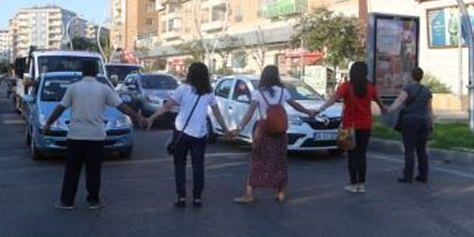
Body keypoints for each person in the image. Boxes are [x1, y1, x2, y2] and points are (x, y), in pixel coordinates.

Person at [44, 60, 146, 210]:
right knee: (94, 170)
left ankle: (66, 201)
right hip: (96, 137)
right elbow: (122, 106)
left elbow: (60, 108)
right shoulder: (104, 89)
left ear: (82, 72)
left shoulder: (73, 88)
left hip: (75, 135)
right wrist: (139, 118)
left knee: (72, 170)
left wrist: (48, 124)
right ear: (97, 72)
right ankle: (93, 200)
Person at [147, 62, 231, 207]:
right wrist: (226, 129)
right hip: (200, 134)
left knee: (179, 165)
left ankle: (181, 197)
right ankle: (197, 198)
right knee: (198, 166)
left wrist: (151, 118)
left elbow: (167, 107)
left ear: (190, 73)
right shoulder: (208, 92)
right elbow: (217, 112)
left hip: (181, 132)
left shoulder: (183, 89)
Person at [230, 65, 316, 204]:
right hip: (279, 132)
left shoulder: (258, 93)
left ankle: (249, 194)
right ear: (276, 76)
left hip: (263, 131)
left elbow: (250, 112)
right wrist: (309, 112)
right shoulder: (283, 92)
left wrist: (239, 128)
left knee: (257, 162)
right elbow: (296, 106)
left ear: (264, 77)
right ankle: (281, 193)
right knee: (279, 162)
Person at [312, 61, 387, 194]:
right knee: (362, 155)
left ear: (352, 72)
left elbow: (333, 99)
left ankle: (353, 184)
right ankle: (362, 184)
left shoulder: (346, 86)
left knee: (351, 155)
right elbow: (381, 104)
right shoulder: (370, 87)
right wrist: (385, 109)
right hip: (365, 125)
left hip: (349, 125)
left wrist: (319, 109)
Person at [387, 67, 434, 184]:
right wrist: (431, 124)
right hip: (423, 122)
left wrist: (388, 109)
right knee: (422, 150)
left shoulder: (407, 88)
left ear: (411, 76)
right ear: (421, 77)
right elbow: (430, 110)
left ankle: (408, 176)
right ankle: (423, 175)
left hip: (409, 122)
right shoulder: (427, 91)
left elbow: (399, 101)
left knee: (409, 150)